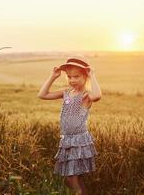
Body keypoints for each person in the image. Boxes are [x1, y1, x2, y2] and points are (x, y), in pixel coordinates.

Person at [37, 55, 102, 195]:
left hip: (78, 140)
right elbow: (42, 95)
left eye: (77, 76)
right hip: (67, 140)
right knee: (72, 177)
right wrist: (53, 76)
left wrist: (93, 75)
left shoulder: (86, 95)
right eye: (69, 76)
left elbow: (97, 96)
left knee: (71, 177)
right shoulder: (66, 93)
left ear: (85, 76)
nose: (72, 80)